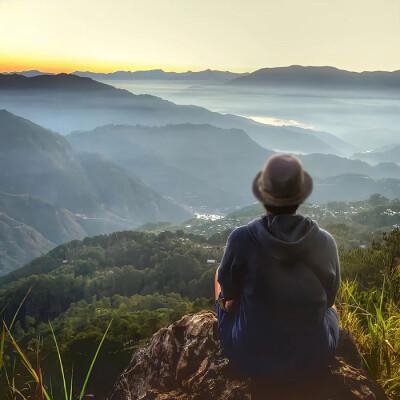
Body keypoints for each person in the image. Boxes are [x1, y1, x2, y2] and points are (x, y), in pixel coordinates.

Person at [215, 153, 340, 381]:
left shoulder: (241, 239)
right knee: (334, 312)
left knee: (219, 278)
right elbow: (329, 302)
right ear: (300, 198)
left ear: (264, 196)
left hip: (251, 357)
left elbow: (230, 301)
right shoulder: (325, 242)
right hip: (313, 357)